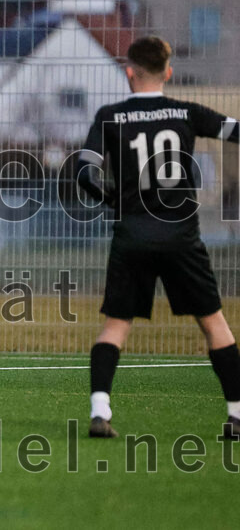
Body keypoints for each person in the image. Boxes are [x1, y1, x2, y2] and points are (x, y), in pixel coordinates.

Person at [77, 35, 240, 440]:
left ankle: (100, 412)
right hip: (182, 237)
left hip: (132, 234)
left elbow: (83, 173)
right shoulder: (186, 113)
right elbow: (234, 132)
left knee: (115, 326)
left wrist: (112, 199)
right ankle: (237, 418)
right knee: (214, 324)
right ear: (168, 71)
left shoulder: (110, 116)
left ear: (129, 72)